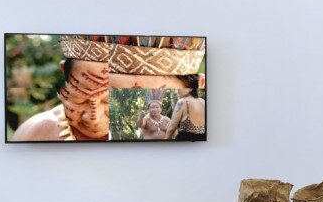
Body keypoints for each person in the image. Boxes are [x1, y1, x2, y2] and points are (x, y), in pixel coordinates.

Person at [12, 35, 205, 142]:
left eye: (111, 101)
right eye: (82, 99)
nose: (94, 119)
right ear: (65, 74)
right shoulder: (39, 134)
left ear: (198, 86)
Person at [11, 58, 111, 141]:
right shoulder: (37, 134)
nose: (94, 120)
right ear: (66, 72)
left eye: (108, 100)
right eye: (79, 100)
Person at [165, 75, 206, 141]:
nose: (177, 88)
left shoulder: (182, 102)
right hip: (202, 139)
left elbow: (172, 127)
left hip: (185, 140)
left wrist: (165, 140)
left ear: (191, 88)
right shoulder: (203, 101)